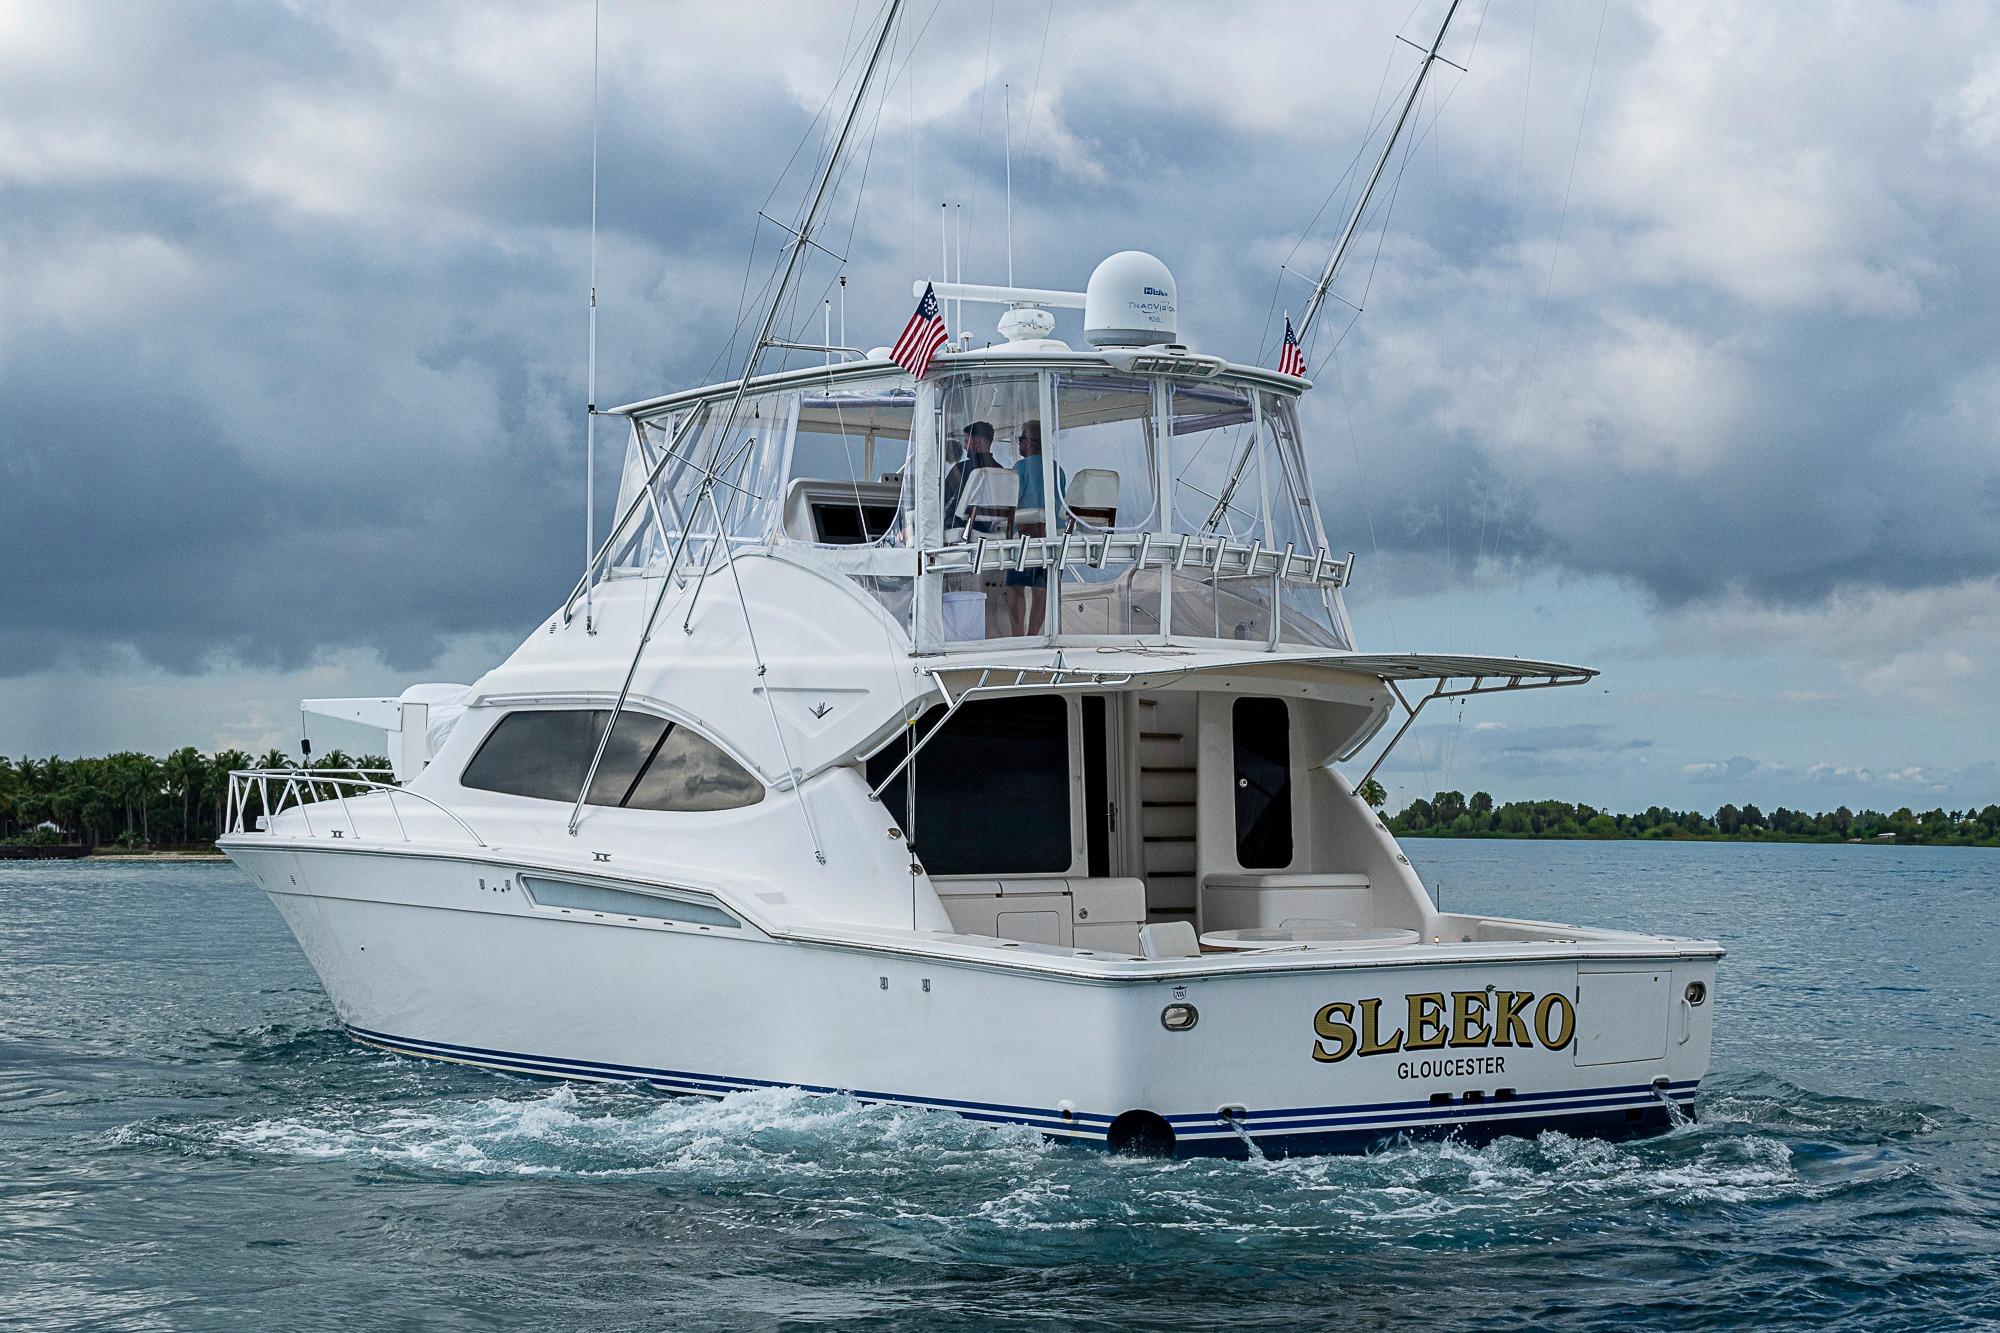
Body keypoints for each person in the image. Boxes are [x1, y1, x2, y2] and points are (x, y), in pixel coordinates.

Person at [1006, 419, 1065, 635]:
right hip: (1052, 536)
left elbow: (1012, 502)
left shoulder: (1020, 468)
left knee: (1014, 587)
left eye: (1021, 439)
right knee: (1041, 589)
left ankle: (1018, 636)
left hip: (1026, 536)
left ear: (1031, 443)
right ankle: (1033, 635)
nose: (1020, 444)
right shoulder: (1057, 469)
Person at [940, 420, 1004, 540]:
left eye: (966, 441)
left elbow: (942, 501)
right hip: (990, 530)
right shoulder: (1002, 471)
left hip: (961, 528)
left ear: (976, 442)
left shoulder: (961, 469)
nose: (964, 447)